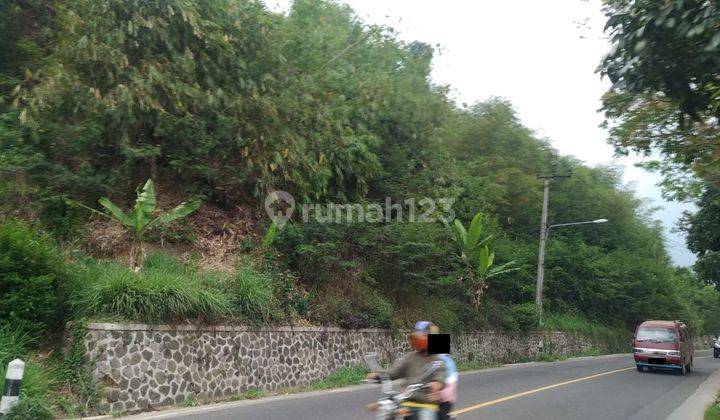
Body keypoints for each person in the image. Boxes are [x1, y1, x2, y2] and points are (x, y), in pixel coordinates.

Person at [367, 321, 446, 420]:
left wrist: (436, 384)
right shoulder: (410, 357)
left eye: (420, 336)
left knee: (427, 417)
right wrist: (378, 375)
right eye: (415, 337)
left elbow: (440, 377)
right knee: (387, 413)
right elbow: (394, 372)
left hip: (427, 404)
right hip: (407, 402)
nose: (416, 340)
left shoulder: (438, 360)